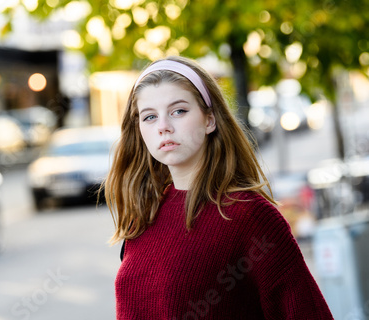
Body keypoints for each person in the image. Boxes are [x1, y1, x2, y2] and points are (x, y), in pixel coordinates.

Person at [102, 56, 333, 319]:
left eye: (178, 111)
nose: (164, 127)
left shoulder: (250, 216)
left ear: (209, 119)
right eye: (150, 117)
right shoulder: (146, 214)